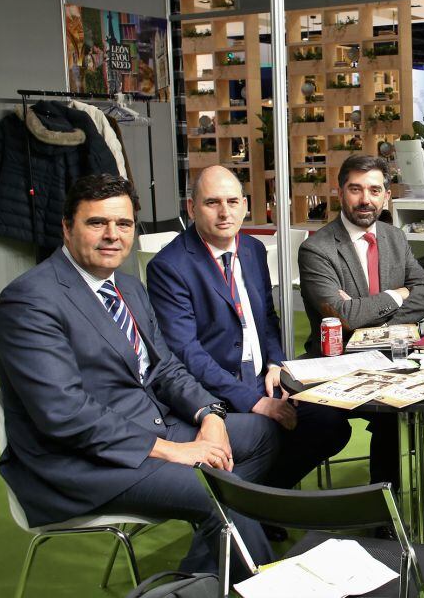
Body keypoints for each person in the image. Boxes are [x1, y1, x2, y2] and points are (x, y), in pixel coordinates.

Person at [0, 174, 277, 576]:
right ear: (66, 227)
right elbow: (64, 413)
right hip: (83, 461)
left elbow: (165, 368)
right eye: (96, 223)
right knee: (223, 496)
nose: (112, 235)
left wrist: (209, 415)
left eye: (123, 225)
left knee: (266, 435)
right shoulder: (30, 301)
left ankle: (195, 573)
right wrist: (173, 451)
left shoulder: (127, 285)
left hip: (154, 426)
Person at [298, 154, 424, 539]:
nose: (365, 199)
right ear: (340, 193)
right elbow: (343, 315)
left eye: (374, 190)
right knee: (391, 413)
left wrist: (368, 309)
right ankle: (384, 508)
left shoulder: (393, 237)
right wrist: (394, 297)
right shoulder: (317, 249)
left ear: (387, 196)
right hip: (345, 361)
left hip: (400, 352)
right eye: (356, 189)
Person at [147, 166, 352, 500]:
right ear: (191, 208)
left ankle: (264, 498)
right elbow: (187, 353)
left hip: (262, 378)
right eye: (212, 202)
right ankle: (243, 508)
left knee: (331, 425)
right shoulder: (170, 267)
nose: (225, 212)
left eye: (232, 201)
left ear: (244, 205)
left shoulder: (253, 250)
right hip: (212, 391)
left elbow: (266, 320)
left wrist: (275, 362)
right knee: (268, 429)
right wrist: (255, 402)